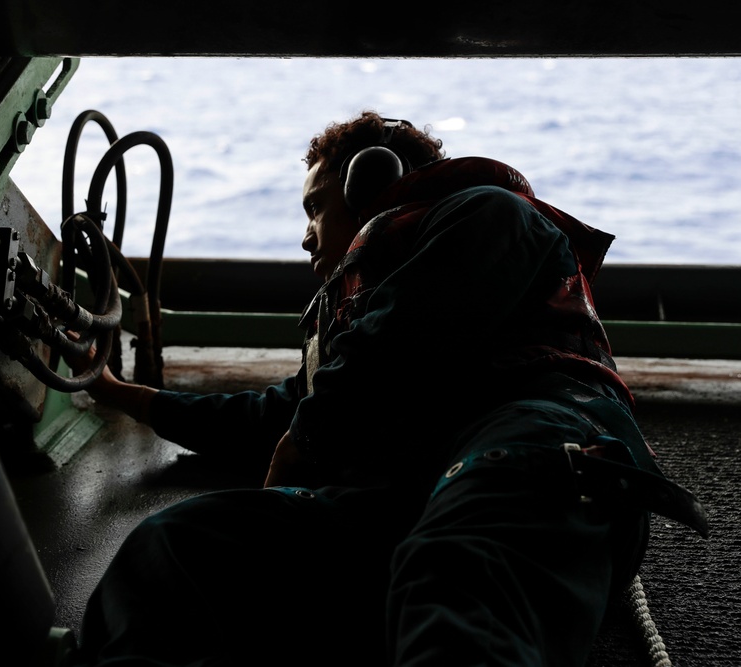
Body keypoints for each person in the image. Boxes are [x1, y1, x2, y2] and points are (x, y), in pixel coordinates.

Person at [68, 111, 708, 667]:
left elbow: (407, 336)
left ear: (371, 181)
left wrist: (309, 436)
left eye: (316, 206)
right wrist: (123, 394)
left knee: (458, 574)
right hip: (408, 498)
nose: (305, 234)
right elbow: (277, 414)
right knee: (174, 547)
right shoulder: (351, 339)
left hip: (530, 448)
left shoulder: (488, 212)